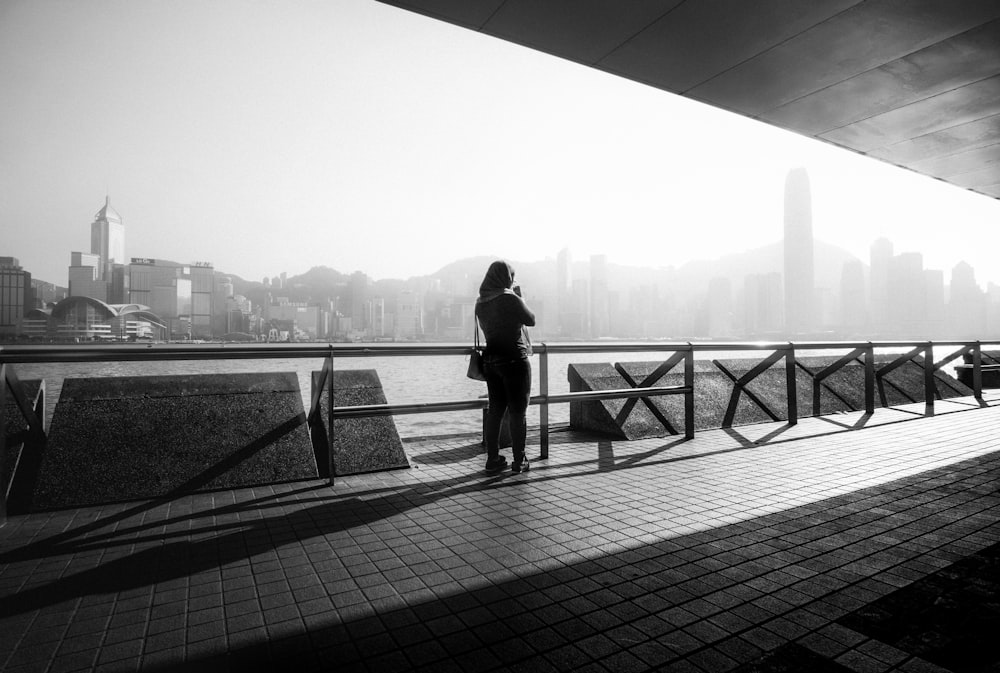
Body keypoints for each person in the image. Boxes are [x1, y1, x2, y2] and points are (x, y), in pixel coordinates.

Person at [475, 260, 536, 473]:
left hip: (491, 362)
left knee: (496, 412)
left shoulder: (480, 302)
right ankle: (519, 461)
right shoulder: (510, 299)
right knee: (518, 413)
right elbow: (531, 320)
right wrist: (519, 297)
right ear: (506, 278)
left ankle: (493, 459)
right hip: (514, 360)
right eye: (511, 275)